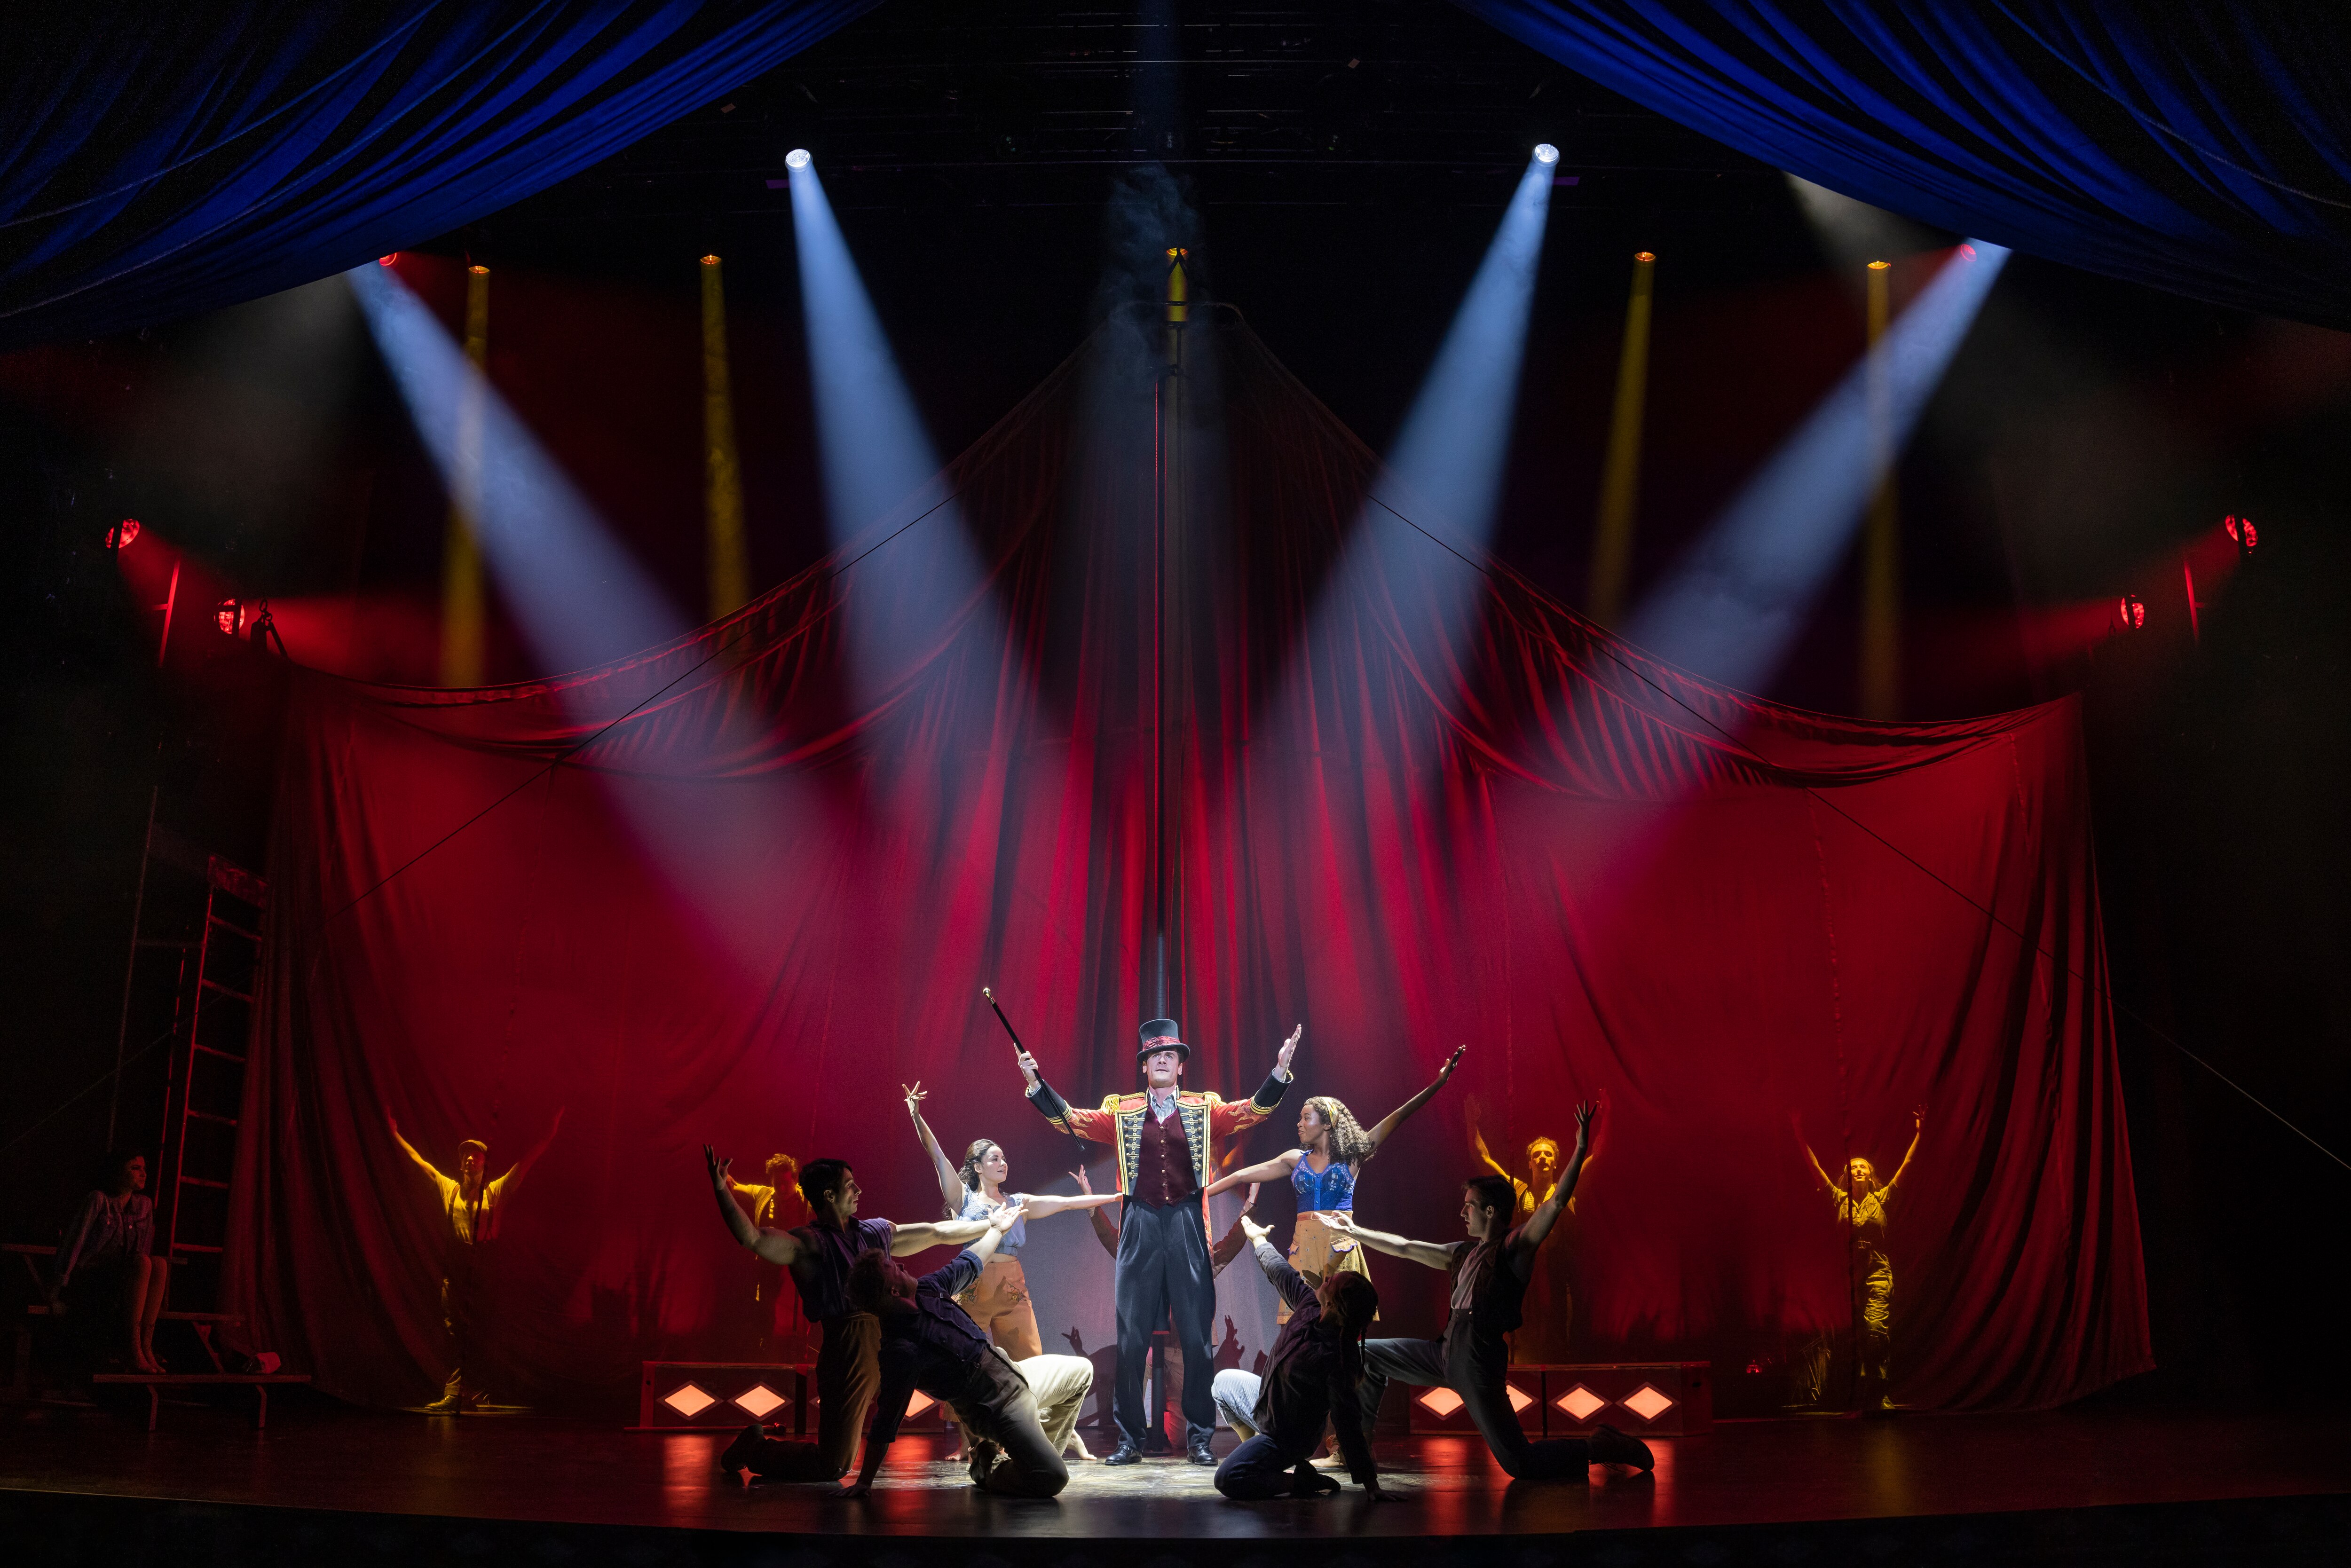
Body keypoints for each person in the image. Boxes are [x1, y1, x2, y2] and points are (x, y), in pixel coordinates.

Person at [1018, 1016, 1299, 1465]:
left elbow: (1251, 1111)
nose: (1164, 1059)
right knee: (1131, 1337)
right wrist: (1037, 1083)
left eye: (1171, 1054)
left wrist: (1279, 1072)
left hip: (1188, 1220)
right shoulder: (1123, 1110)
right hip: (1140, 1222)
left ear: (1181, 1066)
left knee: (1195, 1336)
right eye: (1155, 1055)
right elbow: (1070, 1119)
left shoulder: (1205, 1107)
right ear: (1145, 1065)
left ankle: (1200, 1438)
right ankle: (1130, 1437)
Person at [1325, 1103, 1653, 1480]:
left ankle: (1601, 1445)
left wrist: (1579, 1149)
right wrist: (1355, 1231)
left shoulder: (1515, 1249)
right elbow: (1404, 1246)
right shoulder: (1461, 1253)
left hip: (1477, 1363)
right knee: (1367, 1356)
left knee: (1521, 1464)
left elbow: (1557, 1203)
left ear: (1492, 1211)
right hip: (1445, 1353)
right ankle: (1357, 1450)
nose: (1463, 1213)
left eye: (1470, 1207)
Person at [704, 1148, 989, 1481]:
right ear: (829, 1194)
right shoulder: (810, 1243)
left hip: (895, 1335)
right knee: (835, 1465)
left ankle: (990, 1444)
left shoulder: (873, 1232)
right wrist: (723, 1190)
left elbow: (936, 1232)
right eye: (850, 1185)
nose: (859, 1191)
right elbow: (753, 1238)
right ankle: (756, 1449)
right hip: (849, 1350)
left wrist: (993, 1224)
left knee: (959, 1374)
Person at [903, 1083, 1120, 1458]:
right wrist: (916, 1116)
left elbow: (1067, 1203)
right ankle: (969, 1440)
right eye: (994, 1159)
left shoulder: (1019, 1203)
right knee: (965, 1360)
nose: (1003, 1163)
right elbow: (936, 1154)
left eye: (1004, 1158)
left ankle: (1060, 1433)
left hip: (1011, 1287)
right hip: (972, 1285)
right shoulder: (964, 1199)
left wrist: (1116, 1196)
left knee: (1029, 1360)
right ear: (976, 1166)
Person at [824, 1203, 1076, 1499]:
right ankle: (988, 1466)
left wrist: (996, 1229)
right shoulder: (901, 1349)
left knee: (1082, 1372)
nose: (903, 1265)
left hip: (1019, 1378)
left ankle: (1031, 1453)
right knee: (1052, 1478)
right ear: (893, 1291)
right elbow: (886, 1419)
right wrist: (865, 1482)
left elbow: (969, 1263)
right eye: (894, 1268)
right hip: (1000, 1409)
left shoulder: (929, 1288)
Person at [1206, 1045, 1465, 1318]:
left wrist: (1438, 1084)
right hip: (1303, 1246)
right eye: (1300, 1118)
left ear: (1328, 1124)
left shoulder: (1353, 1157)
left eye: (1307, 1118)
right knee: (1299, 1322)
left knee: (1343, 1319)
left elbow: (1398, 1116)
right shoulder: (1295, 1159)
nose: (1300, 1124)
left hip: (1339, 1245)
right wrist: (1200, 1195)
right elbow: (1241, 1175)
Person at [389, 1109, 563, 1411]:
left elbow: (528, 1162)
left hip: (484, 1264)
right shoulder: (450, 1189)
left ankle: (468, 1391)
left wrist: (550, 1132)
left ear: (485, 1162)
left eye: (477, 1156)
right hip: (456, 1264)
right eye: (466, 1156)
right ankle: (457, 1392)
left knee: (480, 1331)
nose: (470, 1159)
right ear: (461, 1164)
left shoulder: (497, 1191)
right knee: (453, 1329)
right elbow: (419, 1163)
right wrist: (395, 1135)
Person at [1077, 1161, 1258, 1451]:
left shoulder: (1197, 1259)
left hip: (1183, 1356)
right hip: (1153, 1351)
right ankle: (1130, 1440)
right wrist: (1091, 1204)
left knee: (1177, 1439)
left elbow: (1233, 1243)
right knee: (1130, 1365)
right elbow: (1114, 1240)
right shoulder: (1143, 1253)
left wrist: (1250, 1203)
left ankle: (1197, 1444)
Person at [1208, 1213, 1390, 1501]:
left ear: (1333, 1303)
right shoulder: (1309, 1307)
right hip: (1265, 1408)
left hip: (1287, 1439)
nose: (1327, 1278)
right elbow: (1283, 1273)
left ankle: (1298, 1482)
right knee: (1222, 1382)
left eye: (1332, 1282)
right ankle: (1257, 1453)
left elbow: (1349, 1424)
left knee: (1229, 1479)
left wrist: (1371, 1484)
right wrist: (1258, 1239)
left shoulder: (1336, 1359)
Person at [1792, 1107, 1923, 1410]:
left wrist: (1920, 1133)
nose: (1859, 1169)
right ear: (1848, 1174)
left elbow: (1908, 1163)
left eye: (1864, 1166)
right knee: (1851, 1335)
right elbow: (1813, 1167)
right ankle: (1852, 1395)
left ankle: (1879, 1392)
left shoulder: (1883, 1197)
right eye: (1853, 1166)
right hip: (1847, 1274)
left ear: (1871, 1173)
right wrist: (1799, 1133)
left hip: (1877, 1270)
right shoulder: (1839, 1198)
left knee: (1876, 1330)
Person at [1471, 1104, 1582, 1361]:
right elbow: (1483, 1159)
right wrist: (1471, 1122)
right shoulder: (1519, 1189)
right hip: (1523, 1271)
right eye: (1538, 1155)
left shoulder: (1567, 1191)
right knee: (1522, 1325)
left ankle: (1559, 1364)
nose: (1543, 1158)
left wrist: (1589, 1134)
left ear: (1556, 1161)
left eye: (1548, 1154)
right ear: (1530, 1161)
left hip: (1557, 1272)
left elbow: (1594, 1158)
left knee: (1558, 1326)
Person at [45, 1150, 168, 1372]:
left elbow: (144, 1252)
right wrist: (58, 1289)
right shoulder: (98, 1200)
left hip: (122, 1279)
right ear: (119, 1172)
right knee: (143, 1264)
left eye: (144, 1168)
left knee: (158, 1263)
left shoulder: (144, 1206)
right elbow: (75, 1243)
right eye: (135, 1168)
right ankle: (131, 1347)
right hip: (92, 1278)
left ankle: (145, 1346)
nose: (143, 1173)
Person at [726, 1152, 813, 1356]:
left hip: (798, 1269)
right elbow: (735, 1187)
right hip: (770, 1267)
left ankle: (800, 1351)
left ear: (795, 1178)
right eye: (777, 1184)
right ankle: (767, 1349)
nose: (782, 1189)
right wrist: (724, 1177)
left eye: (785, 1183)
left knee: (800, 1316)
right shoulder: (763, 1193)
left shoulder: (808, 1199)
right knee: (767, 1310)